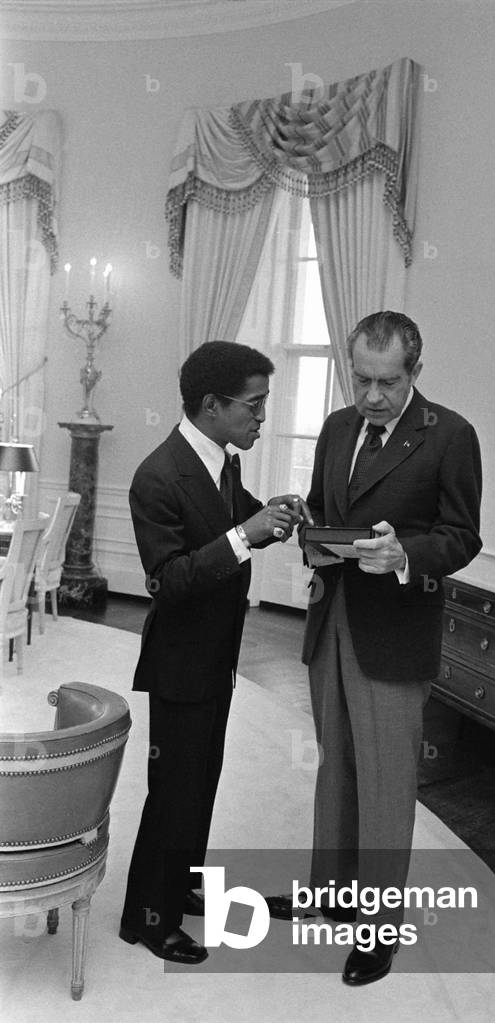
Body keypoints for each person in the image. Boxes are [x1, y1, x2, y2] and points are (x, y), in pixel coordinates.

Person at [267, 310, 482, 985]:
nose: (372, 396)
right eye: (361, 379)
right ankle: (331, 894)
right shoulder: (336, 426)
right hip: (331, 619)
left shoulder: (450, 435)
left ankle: (379, 928)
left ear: (414, 371)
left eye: (387, 383)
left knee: (387, 783)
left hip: (394, 631)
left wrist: (402, 555)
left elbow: (461, 535)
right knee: (337, 766)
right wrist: (303, 520)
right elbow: (325, 503)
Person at [120, 340, 312, 965]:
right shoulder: (156, 475)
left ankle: (181, 886)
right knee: (174, 789)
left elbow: (230, 520)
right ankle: (151, 919)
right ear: (212, 404)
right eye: (253, 406)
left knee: (202, 781)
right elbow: (168, 579)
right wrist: (243, 535)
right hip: (180, 661)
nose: (262, 418)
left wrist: (270, 513)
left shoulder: (222, 460)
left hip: (217, 656)